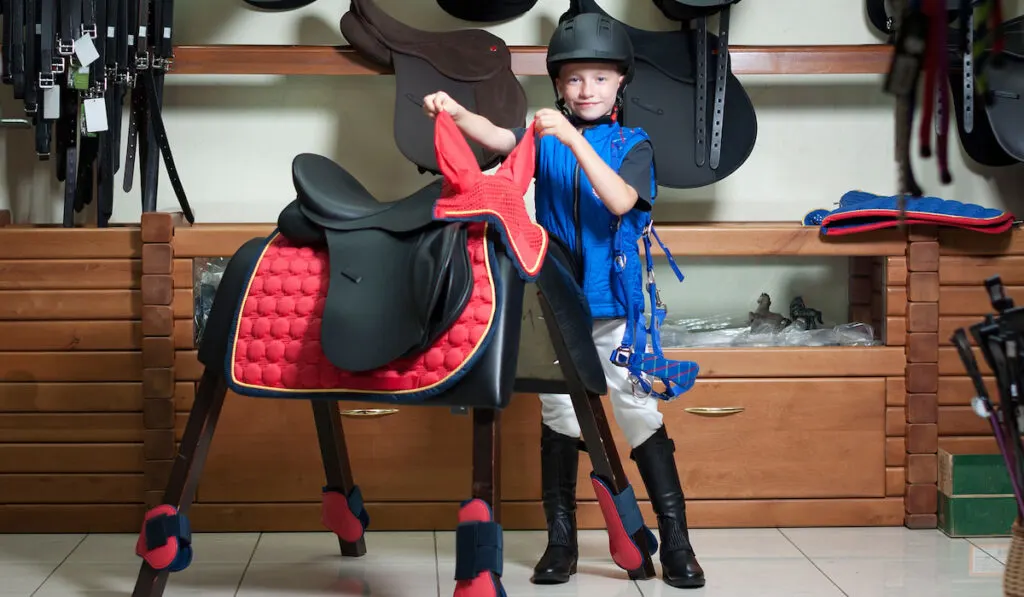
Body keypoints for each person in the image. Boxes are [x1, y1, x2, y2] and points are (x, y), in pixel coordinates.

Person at [421, 12, 704, 590]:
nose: (587, 90)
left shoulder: (633, 144)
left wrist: (573, 139)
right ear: (558, 86)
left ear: (621, 82)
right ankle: (561, 541)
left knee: (636, 413)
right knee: (561, 417)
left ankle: (676, 540)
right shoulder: (542, 136)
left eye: (600, 79)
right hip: (551, 302)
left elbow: (621, 200)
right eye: (575, 80)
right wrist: (454, 112)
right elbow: (501, 138)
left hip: (612, 309)